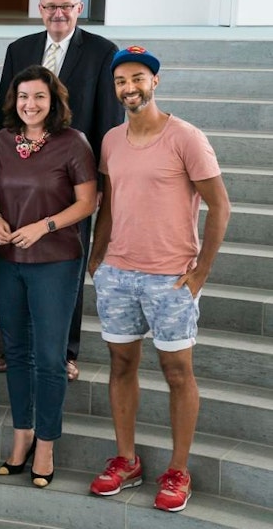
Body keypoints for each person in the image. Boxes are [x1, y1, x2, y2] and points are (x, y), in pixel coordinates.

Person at [88, 47, 229, 513]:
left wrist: (201, 271)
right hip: (118, 273)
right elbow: (108, 202)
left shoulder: (185, 137)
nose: (130, 87)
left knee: (177, 373)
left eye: (138, 78)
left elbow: (220, 206)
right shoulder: (110, 140)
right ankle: (127, 460)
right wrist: (97, 258)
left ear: (155, 83)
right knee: (121, 366)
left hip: (171, 278)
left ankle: (178, 469)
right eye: (121, 81)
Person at [0, 0, 124, 379]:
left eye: (66, 6)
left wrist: (97, 182)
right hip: (21, 173)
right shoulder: (20, 49)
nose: (58, 14)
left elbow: (108, 122)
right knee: (16, 265)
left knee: (66, 267)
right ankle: (17, 349)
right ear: (40, 8)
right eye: (50, 7)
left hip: (70, 179)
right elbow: (5, 112)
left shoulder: (102, 52)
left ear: (79, 8)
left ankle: (65, 350)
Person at [0, 65, 97, 488]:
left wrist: (45, 226)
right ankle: (22, 436)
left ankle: (47, 444)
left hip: (56, 261)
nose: (30, 104)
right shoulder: (2, 141)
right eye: (23, 97)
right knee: (16, 352)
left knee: (51, 358)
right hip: (7, 260)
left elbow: (87, 202)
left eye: (38, 97)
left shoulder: (73, 143)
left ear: (53, 102)